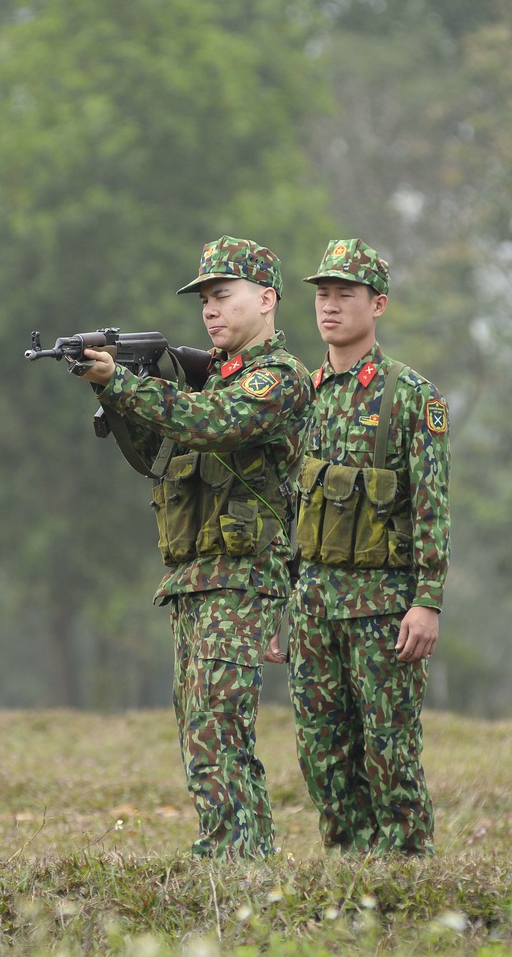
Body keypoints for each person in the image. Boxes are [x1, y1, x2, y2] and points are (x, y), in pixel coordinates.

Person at [74, 236, 313, 859]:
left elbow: (212, 427)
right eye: (205, 299)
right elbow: (154, 453)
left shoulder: (279, 380)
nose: (210, 310)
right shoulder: (208, 382)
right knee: (198, 731)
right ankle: (228, 858)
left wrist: (123, 383)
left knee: (221, 730)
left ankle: (240, 866)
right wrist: (114, 390)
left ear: (266, 300)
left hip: (240, 579)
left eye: (223, 295)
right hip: (195, 580)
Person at [288, 237, 451, 856]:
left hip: (384, 607)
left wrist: (427, 600)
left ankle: (409, 879)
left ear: (377, 304)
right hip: (312, 606)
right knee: (321, 752)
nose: (329, 307)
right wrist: (283, 600)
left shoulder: (411, 395)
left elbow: (432, 503)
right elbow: (288, 507)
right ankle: (349, 879)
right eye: (322, 295)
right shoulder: (303, 394)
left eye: (344, 295)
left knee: (389, 752)